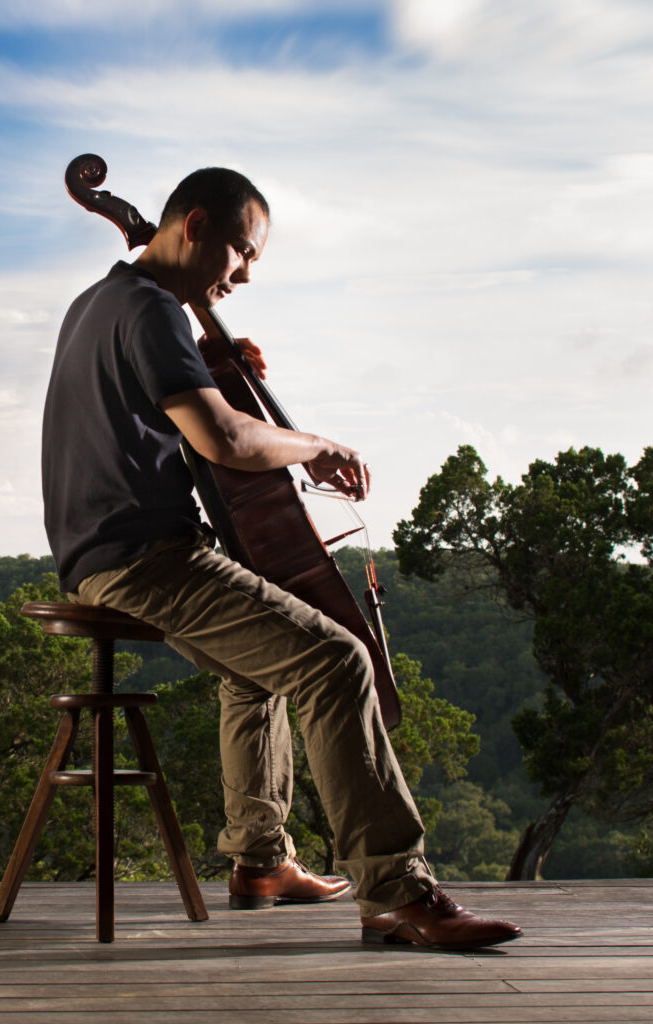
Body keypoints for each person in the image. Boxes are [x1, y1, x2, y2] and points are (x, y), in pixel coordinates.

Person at [41, 165, 521, 950]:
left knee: (253, 668)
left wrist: (222, 376)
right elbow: (224, 440)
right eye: (241, 251)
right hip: (143, 556)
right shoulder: (153, 310)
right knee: (337, 661)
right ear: (193, 225)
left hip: (96, 549)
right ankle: (398, 892)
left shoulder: (98, 303)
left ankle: (260, 861)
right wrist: (317, 445)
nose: (246, 273)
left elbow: (186, 417)